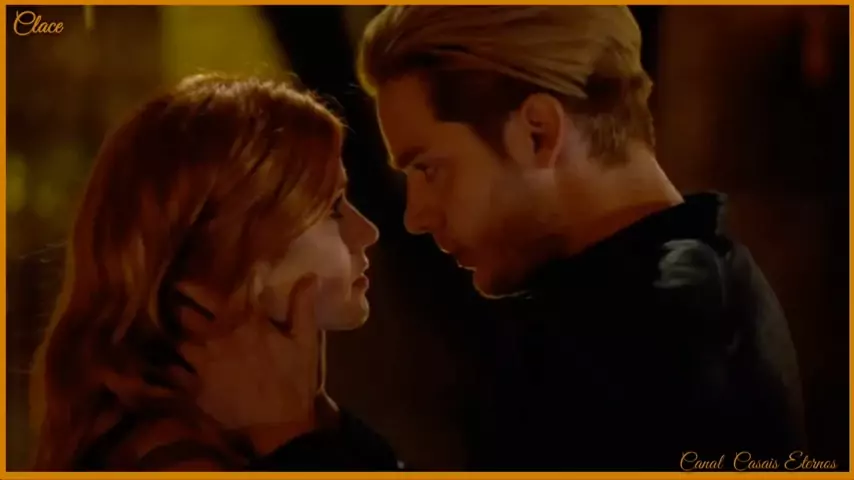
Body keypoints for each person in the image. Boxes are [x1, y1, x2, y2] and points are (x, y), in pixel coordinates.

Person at [351, 5, 807, 470]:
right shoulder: (722, 283)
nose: (416, 217)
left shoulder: (604, 350)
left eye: (428, 169)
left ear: (538, 132)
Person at [29, 73, 400, 471]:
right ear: (226, 245)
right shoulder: (175, 461)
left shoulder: (224, 432)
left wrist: (315, 421)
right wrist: (293, 438)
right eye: (333, 208)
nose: (367, 232)